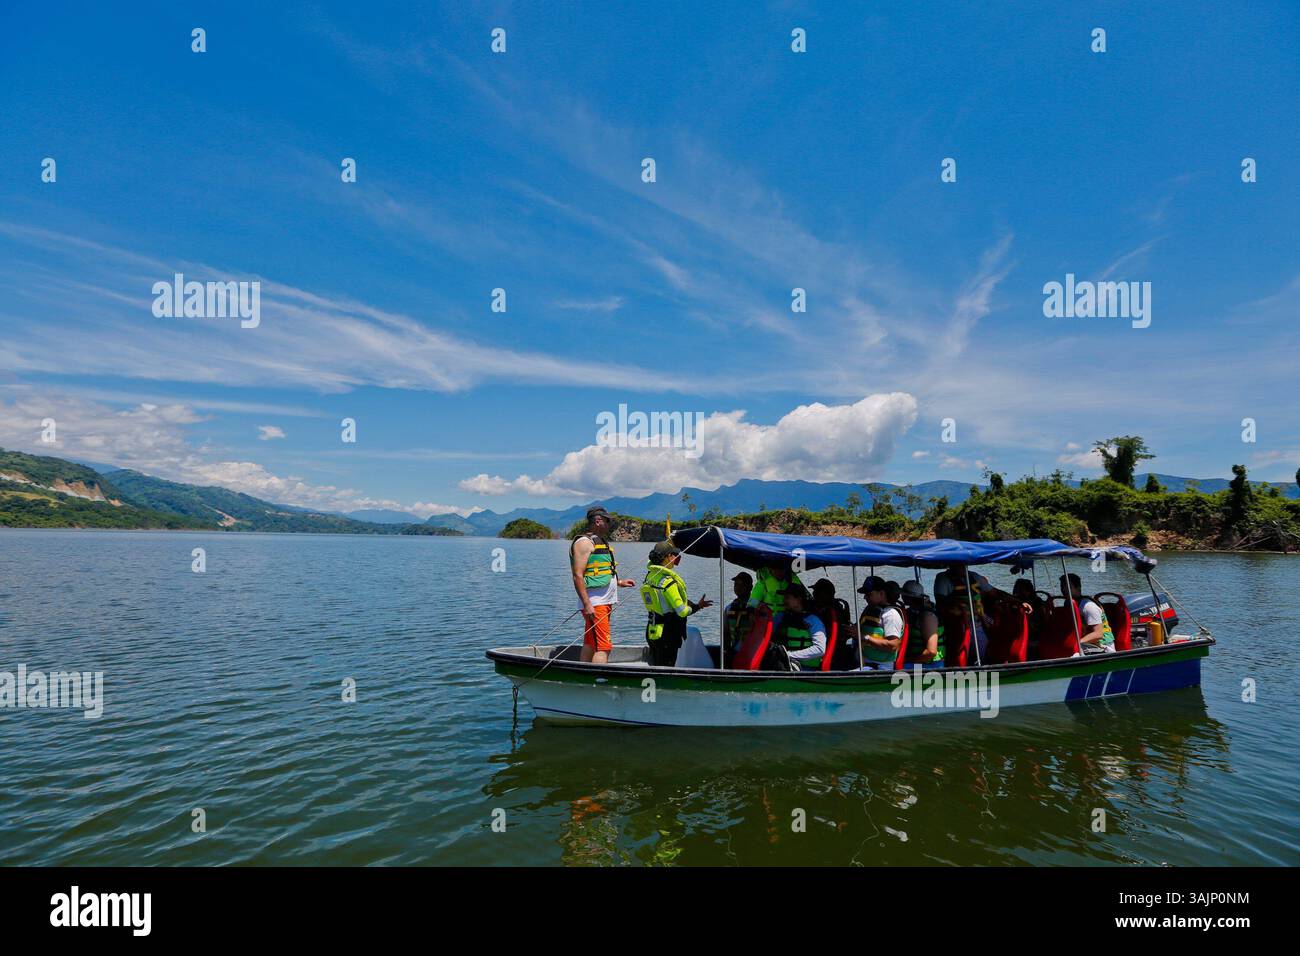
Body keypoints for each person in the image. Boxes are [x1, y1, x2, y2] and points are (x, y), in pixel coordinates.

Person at [570, 506, 636, 664]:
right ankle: (597, 681)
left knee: (591, 643)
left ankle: (583, 675)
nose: (609, 525)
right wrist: (587, 604)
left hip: (603, 603)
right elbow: (577, 575)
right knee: (604, 646)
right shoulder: (584, 543)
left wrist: (619, 582)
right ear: (598, 521)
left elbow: (601, 571)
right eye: (607, 521)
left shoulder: (600, 542)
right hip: (595, 604)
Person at [640, 540, 714, 666]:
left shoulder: (650, 577)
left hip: (652, 631)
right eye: (674, 555)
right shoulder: (668, 583)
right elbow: (682, 611)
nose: (676, 558)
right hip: (667, 635)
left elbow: (665, 602)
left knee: (657, 665)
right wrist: (697, 607)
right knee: (666, 668)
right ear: (668, 557)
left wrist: (696, 605)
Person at [933, 563, 1012, 662]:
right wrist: (960, 606)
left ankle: (995, 665)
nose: (961, 567)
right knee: (970, 653)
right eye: (957, 564)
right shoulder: (943, 579)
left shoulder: (974, 576)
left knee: (994, 640)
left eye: (962, 564)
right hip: (959, 626)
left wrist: (1018, 601)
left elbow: (995, 592)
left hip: (979, 623)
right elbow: (940, 602)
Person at [769, 582, 827, 670]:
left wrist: (788, 655)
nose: (784, 601)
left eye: (787, 598)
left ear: (799, 599)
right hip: (781, 664)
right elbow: (766, 638)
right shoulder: (779, 617)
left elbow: (820, 649)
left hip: (805, 669)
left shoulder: (813, 620)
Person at [856, 576, 904, 670]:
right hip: (865, 662)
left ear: (881, 593)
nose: (865, 597)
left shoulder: (891, 615)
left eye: (869, 594)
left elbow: (893, 645)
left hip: (880, 668)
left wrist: (864, 637)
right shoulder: (870, 610)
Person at [1060, 573, 1115, 654]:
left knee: (1073, 654)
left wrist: (1077, 643)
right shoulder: (1068, 603)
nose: (1064, 589)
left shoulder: (1088, 607)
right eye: (1062, 586)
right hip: (1087, 642)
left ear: (1078, 588)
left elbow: (1098, 634)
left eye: (1068, 587)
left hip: (1103, 645)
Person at [900, 579, 943, 666]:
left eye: (903, 595)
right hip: (918, 662)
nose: (901, 597)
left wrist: (906, 659)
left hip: (930, 665)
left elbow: (931, 652)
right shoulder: (912, 612)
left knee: (894, 667)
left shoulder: (927, 616)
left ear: (908, 598)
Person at [722, 571, 753, 653]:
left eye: (742, 585)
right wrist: (726, 652)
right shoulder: (728, 608)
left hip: (752, 653)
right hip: (735, 652)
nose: (738, 588)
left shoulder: (757, 608)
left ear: (750, 588)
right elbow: (726, 634)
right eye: (736, 585)